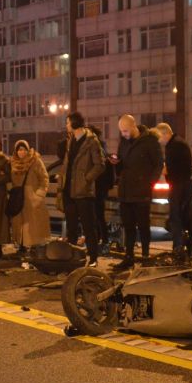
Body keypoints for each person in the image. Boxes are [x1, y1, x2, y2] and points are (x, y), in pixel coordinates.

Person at [112, 116, 163, 270]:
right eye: (121, 131)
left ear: (134, 126)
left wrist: (150, 183)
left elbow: (158, 164)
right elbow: (121, 164)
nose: (124, 134)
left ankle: (145, 256)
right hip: (126, 191)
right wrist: (116, 163)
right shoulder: (124, 142)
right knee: (128, 225)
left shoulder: (149, 141)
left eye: (126, 130)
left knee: (143, 225)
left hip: (142, 191)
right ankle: (129, 257)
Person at [61, 111, 106, 267]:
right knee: (71, 226)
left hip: (84, 191)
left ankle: (93, 257)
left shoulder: (91, 141)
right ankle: (72, 258)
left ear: (74, 123)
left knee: (89, 226)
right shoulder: (71, 140)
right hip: (69, 190)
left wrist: (86, 179)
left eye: (67, 122)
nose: (66, 125)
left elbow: (100, 164)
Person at [157, 123, 192, 260]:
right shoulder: (179, 143)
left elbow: (171, 169)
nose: (159, 141)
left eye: (159, 137)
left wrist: (163, 169)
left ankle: (178, 247)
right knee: (183, 216)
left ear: (165, 134)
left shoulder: (174, 146)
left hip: (179, 186)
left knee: (176, 217)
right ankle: (187, 246)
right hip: (185, 185)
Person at [10, 140, 51, 253]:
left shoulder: (35, 161)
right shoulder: (13, 163)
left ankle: (34, 246)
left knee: (33, 224)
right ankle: (22, 245)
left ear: (28, 150)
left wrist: (38, 196)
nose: (21, 152)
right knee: (20, 223)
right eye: (19, 149)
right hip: (19, 198)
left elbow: (44, 179)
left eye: (23, 149)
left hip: (32, 197)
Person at [89, 126, 114, 255]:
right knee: (96, 217)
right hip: (97, 189)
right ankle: (100, 240)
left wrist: (103, 187)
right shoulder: (101, 149)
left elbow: (108, 173)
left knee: (98, 216)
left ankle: (104, 241)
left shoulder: (99, 151)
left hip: (98, 189)